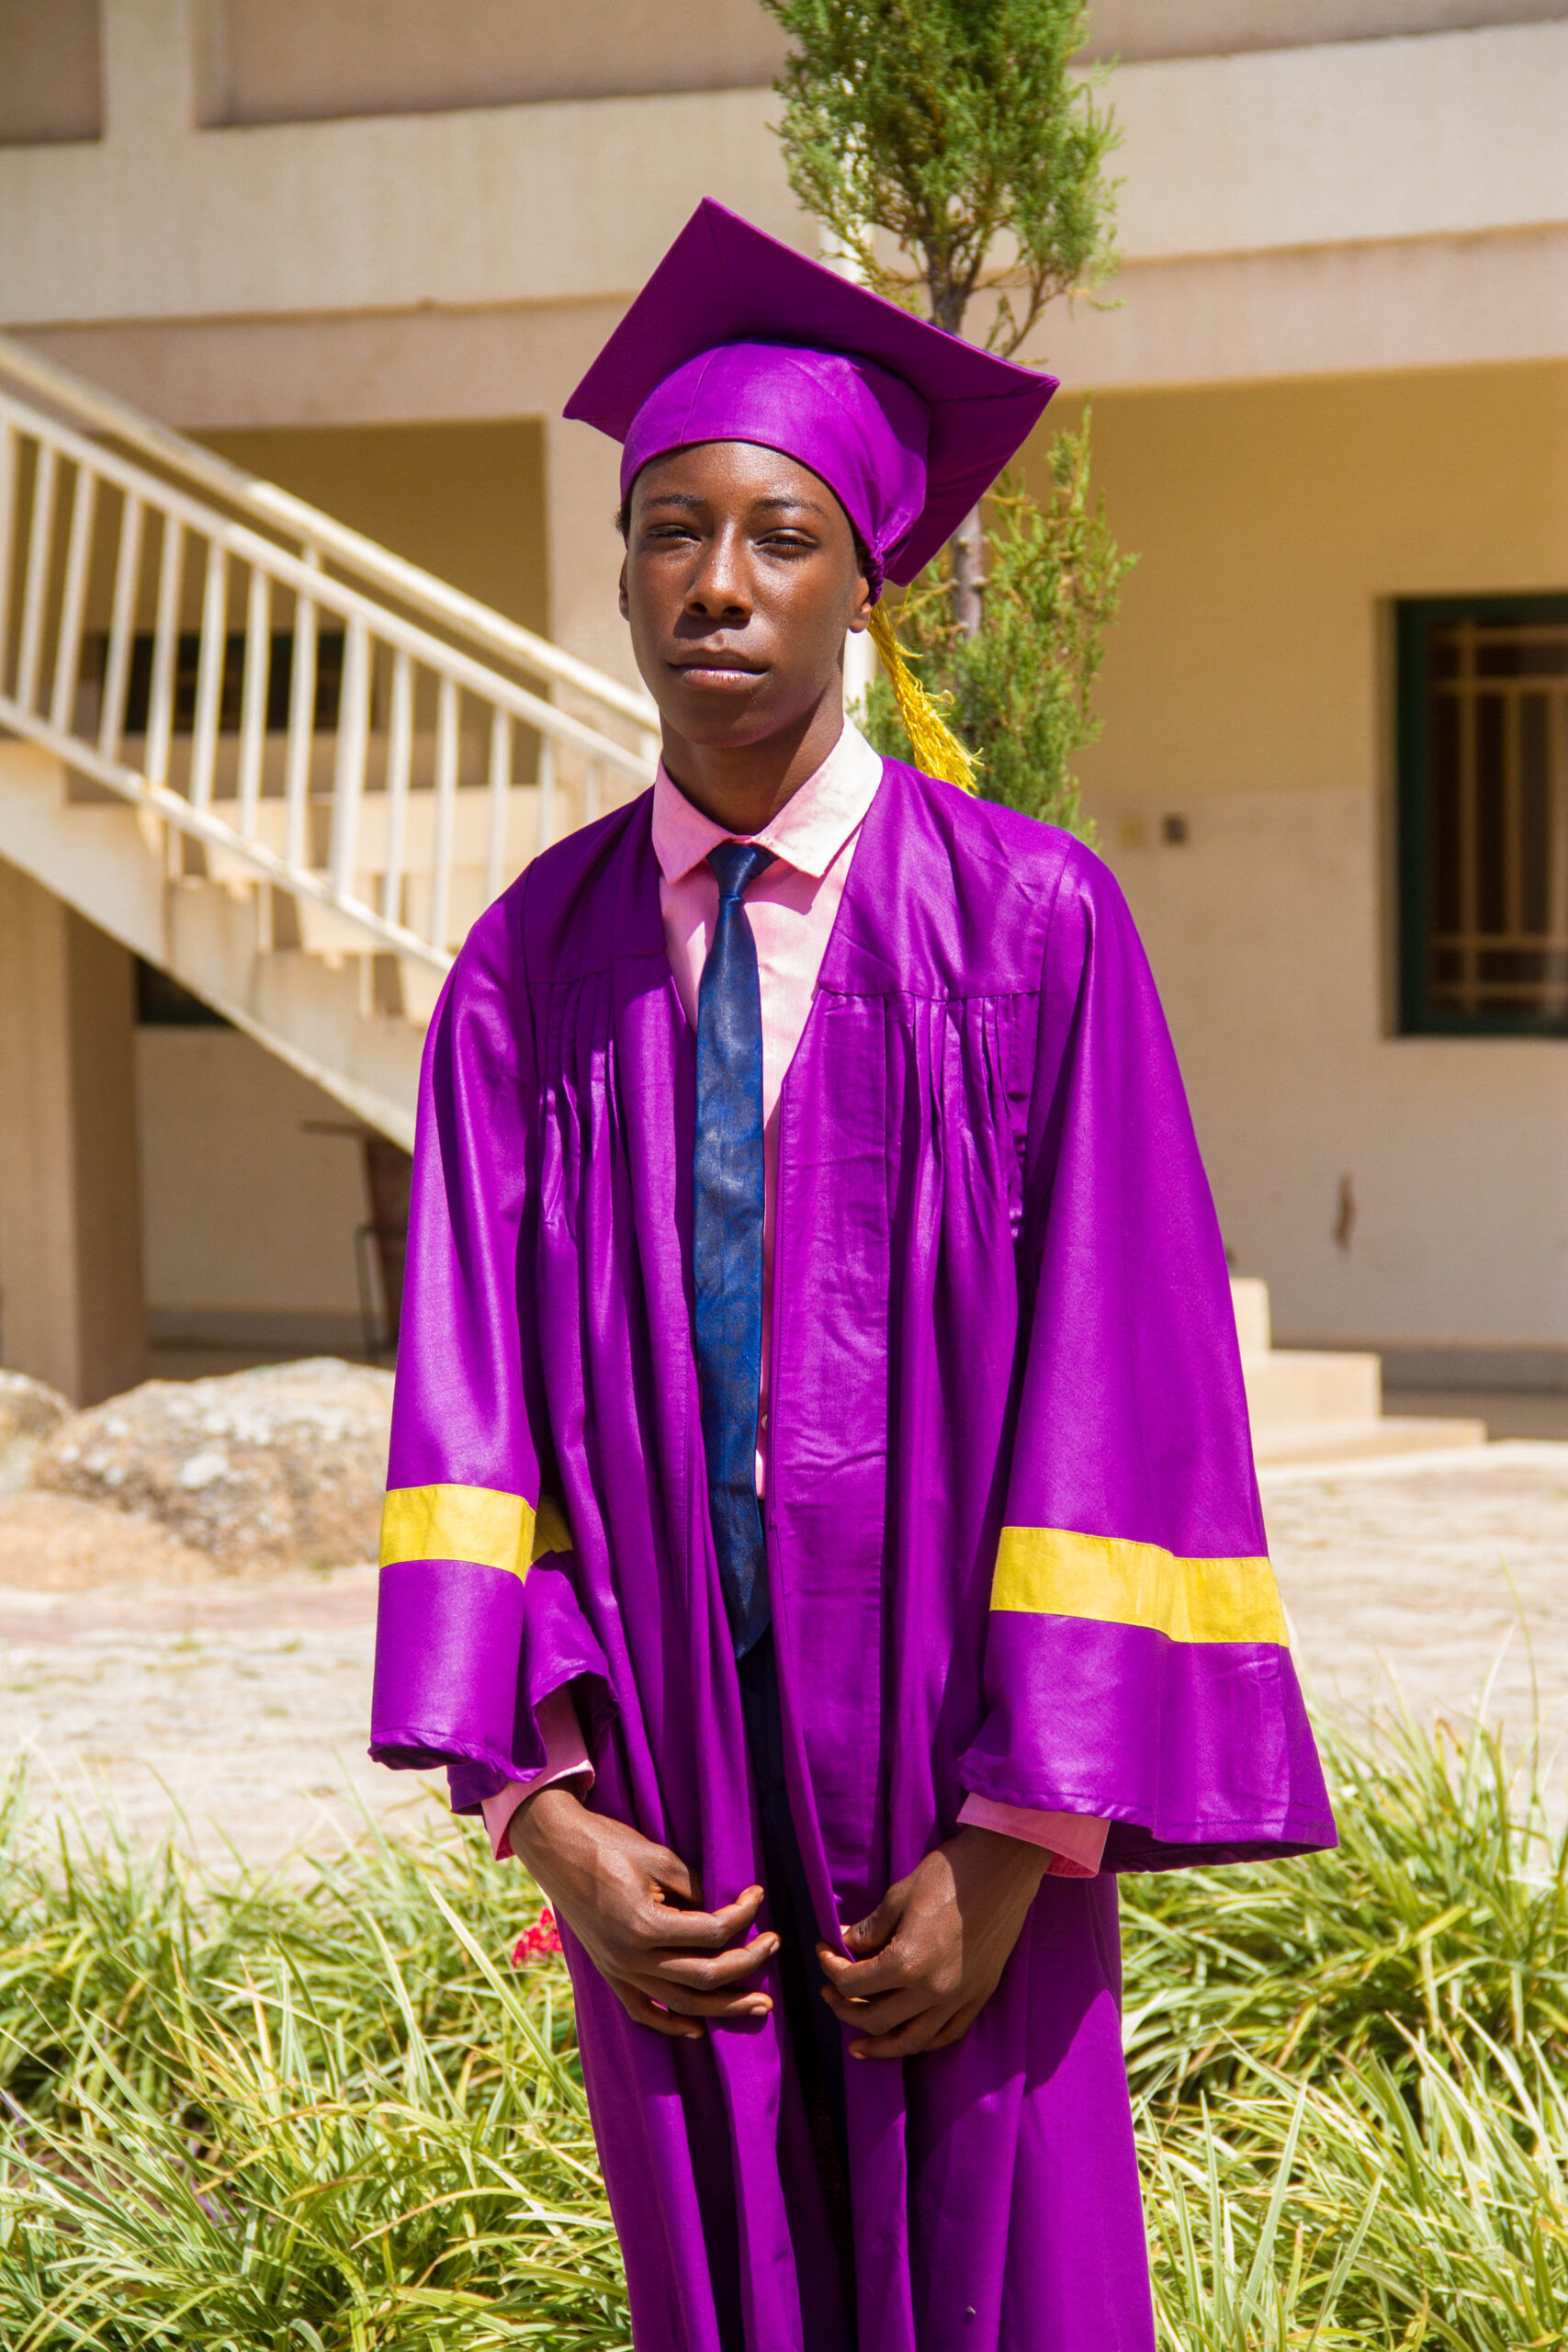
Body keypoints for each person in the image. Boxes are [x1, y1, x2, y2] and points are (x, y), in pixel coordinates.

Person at [371, 199, 1335, 2352]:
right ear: (622, 565)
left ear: (864, 582)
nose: (714, 582)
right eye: (668, 529)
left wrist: (1017, 1831)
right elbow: (468, 1413)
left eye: (778, 535)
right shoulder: (528, 969)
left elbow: (1123, 1386)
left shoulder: (1032, 930)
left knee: (1001, 2271)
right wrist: (545, 1816)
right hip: (667, 1773)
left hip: (958, 1766)